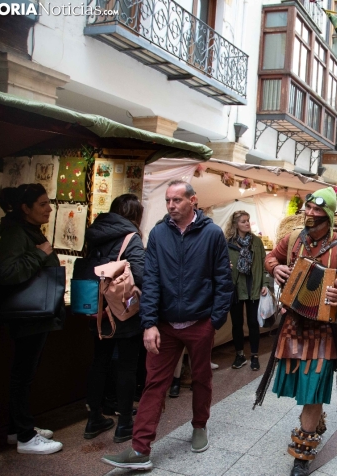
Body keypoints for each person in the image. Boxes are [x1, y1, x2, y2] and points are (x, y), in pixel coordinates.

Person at [102, 180, 233, 470]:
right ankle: (140, 449)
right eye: (168, 201)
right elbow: (151, 281)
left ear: (193, 201)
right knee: (154, 384)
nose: (171, 206)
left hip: (200, 322)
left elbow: (224, 281)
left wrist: (214, 321)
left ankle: (200, 425)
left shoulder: (212, 234)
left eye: (177, 200)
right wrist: (149, 324)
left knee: (200, 378)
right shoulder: (159, 234)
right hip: (164, 324)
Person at [255, 187, 337, 476]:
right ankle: (315, 421)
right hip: (293, 323)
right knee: (300, 386)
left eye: (317, 210)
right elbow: (270, 258)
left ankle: (301, 455)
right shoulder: (291, 240)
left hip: (325, 329)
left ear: (327, 214)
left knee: (313, 388)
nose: (310, 214)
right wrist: (275, 268)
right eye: (308, 209)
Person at [0, 184, 64, 454]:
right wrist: (41, 254)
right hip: (27, 314)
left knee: (24, 374)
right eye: (43, 204)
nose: (49, 209)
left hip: (36, 312)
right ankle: (25, 437)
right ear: (26, 208)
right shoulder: (15, 233)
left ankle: (17, 429)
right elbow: (8, 273)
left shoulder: (27, 230)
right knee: (22, 375)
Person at [84, 194, 145, 443]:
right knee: (127, 366)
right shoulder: (131, 237)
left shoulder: (94, 232)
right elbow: (139, 274)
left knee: (99, 361)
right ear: (134, 216)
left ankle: (94, 419)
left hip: (97, 307)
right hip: (123, 310)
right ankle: (125, 424)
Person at [225, 210, 270, 371]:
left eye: (248, 220)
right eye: (243, 221)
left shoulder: (256, 242)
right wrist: (226, 267)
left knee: (253, 323)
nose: (246, 224)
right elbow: (220, 263)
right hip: (235, 289)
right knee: (236, 324)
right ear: (235, 224)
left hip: (253, 288)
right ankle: (240, 355)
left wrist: (265, 283)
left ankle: (255, 356)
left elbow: (266, 264)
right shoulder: (228, 242)